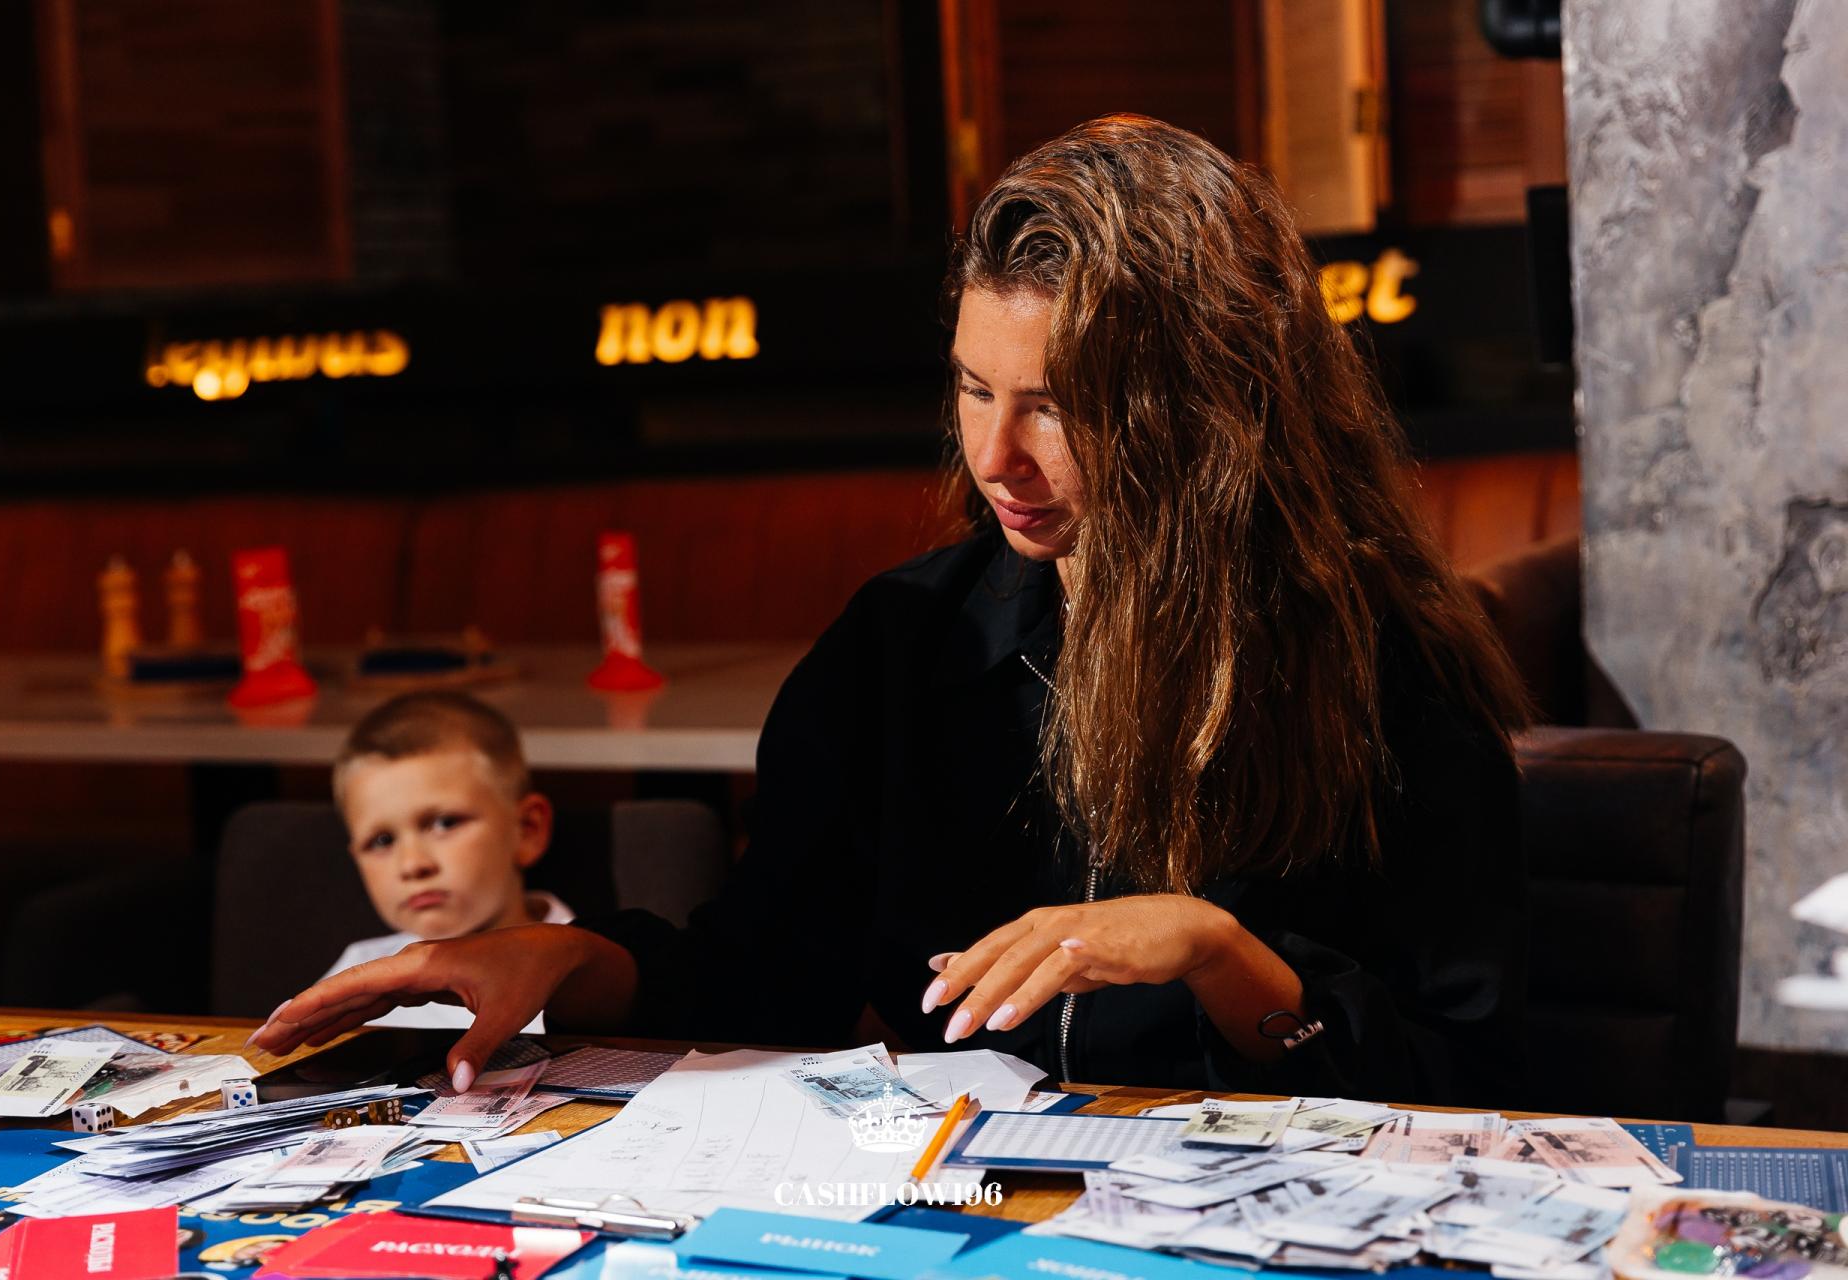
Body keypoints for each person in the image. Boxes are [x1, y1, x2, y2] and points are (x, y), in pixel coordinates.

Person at [254, 115, 1529, 1106]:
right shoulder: (902, 645)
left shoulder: (1380, 661)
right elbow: (774, 969)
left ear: (1201, 410)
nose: (997, 457)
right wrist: (568, 962)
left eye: (1056, 405)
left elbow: (1466, 1075)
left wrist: (1216, 950)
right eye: (974, 390)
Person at [321, 691, 572, 1032]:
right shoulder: (353, 981)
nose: (412, 864)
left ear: (527, 829)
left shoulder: (589, 972)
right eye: (382, 841)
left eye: (445, 823)